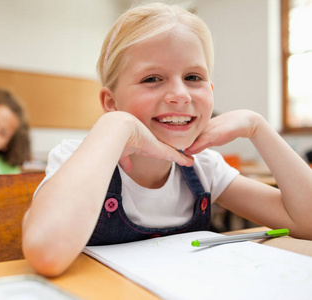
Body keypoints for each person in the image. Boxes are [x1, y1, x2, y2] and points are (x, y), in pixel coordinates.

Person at [22, 3, 312, 277]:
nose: (180, 94)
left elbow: (307, 222)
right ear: (110, 102)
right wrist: (115, 125)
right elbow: (47, 253)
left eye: (193, 77)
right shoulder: (80, 158)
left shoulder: (204, 167)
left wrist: (258, 128)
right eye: (152, 79)